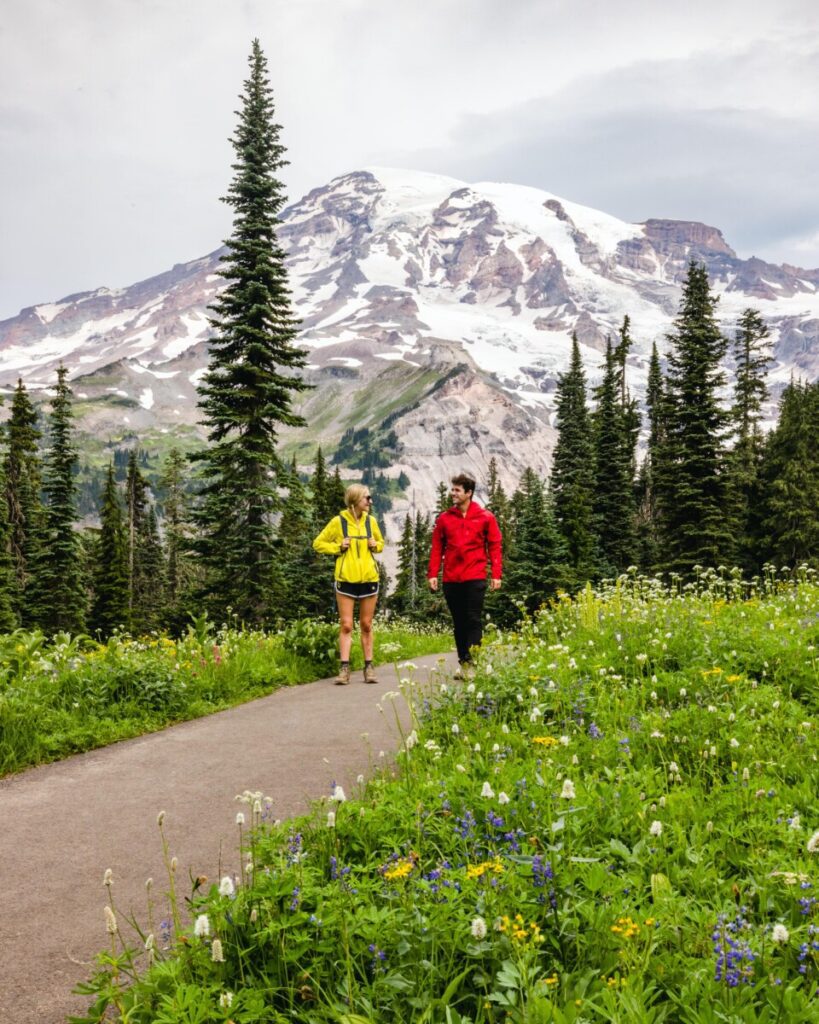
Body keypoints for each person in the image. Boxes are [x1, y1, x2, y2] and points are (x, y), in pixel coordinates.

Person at [427, 473, 502, 673]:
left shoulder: (485, 517)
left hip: (475, 577)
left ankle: (473, 661)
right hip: (451, 578)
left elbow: (494, 545)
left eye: (457, 490)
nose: (453, 493)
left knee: (473, 619)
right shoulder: (444, 518)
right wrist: (433, 574)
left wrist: (496, 574)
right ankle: (464, 662)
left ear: (468, 493)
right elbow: (436, 547)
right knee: (459, 621)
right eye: (452, 489)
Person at [313, 483, 384, 685]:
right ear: (354, 501)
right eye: (366, 498)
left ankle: (368, 667)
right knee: (346, 625)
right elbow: (318, 543)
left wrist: (375, 545)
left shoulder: (371, 522)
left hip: (369, 579)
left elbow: (380, 543)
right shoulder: (338, 522)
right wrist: (338, 546)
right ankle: (344, 668)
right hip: (346, 580)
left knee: (366, 625)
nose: (370, 501)